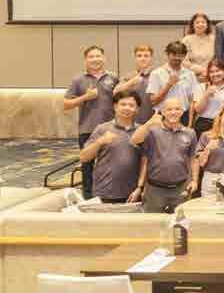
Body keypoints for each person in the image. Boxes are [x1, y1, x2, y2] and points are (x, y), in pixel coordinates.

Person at [64, 45, 120, 199]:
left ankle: (113, 195)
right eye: (91, 57)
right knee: (87, 165)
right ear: (86, 60)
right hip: (87, 129)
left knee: (113, 164)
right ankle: (88, 198)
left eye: (98, 56)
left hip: (112, 129)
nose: (95, 59)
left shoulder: (113, 78)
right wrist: (85, 97)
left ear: (104, 58)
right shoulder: (78, 80)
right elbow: (66, 104)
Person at [130, 98, 198, 213]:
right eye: (169, 109)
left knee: (179, 222)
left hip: (180, 188)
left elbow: (193, 159)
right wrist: (149, 123)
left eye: (177, 109)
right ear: (163, 112)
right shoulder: (152, 131)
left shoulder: (190, 133)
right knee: (152, 222)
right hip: (155, 189)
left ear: (182, 111)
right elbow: (134, 140)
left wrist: (195, 180)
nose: (173, 112)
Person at [79, 91, 143, 203]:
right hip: (105, 191)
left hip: (132, 194)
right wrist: (100, 142)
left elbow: (145, 162)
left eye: (131, 105)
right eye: (123, 104)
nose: (127, 108)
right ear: (115, 107)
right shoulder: (102, 129)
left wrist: (140, 188)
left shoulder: (142, 131)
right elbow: (84, 157)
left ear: (137, 109)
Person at [193, 106, 224, 197]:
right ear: (220, 117)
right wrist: (208, 149)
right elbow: (201, 163)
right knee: (208, 205)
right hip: (210, 178)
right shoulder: (206, 136)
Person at [147, 41, 199, 124]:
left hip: (184, 117)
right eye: (174, 55)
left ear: (184, 56)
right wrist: (169, 85)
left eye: (180, 55)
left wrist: (190, 123)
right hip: (162, 117)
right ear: (167, 54)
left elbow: (192, 101)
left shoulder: (190, 74)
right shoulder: (156, 73)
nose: (177, 58)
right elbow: (153, 101)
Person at [191, 59, 224, 138]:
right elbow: (197, 110)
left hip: (223, 124)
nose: (215, 74)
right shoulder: (201, 87)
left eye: (217, 71)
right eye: (211, 72)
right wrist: (206, 94)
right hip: (204, 124)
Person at [113, 44, 155, 124]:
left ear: (151, 58)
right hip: (132, 123)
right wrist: (131, 82)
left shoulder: (157, 75)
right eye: (139, 56)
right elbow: (115, 92)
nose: (143, 59)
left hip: (153, 122)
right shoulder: (129, 76)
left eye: (146, 56)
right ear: (135, 58)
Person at [181, 13, 216, 82]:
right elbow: (184, 61)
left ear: (207, 25)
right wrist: (202, 71)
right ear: (193, 25)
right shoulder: (186, 40)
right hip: (192, 77)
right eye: (197, 22)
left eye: (203, 22)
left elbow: (217, 59)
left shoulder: (214, 39)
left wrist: (210, 71)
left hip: (212, 75)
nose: (200, 24)